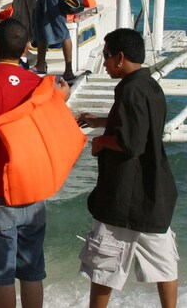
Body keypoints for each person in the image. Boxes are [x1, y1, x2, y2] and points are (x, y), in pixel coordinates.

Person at [0, 18, 72, 308]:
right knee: (32, 272)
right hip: (32, 189)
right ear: (25, 49)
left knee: (2, 277)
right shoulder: (39, 85)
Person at [77, 28, 179, 308]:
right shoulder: (149, 85)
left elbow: (130, 142)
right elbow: (141, 128)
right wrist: (100, 120)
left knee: (104, 263)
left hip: (123, 195)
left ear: (120, 58)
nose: (105, 63)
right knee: (164, 263)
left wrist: (101, 142)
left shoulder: (130, 91)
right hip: (153, 193)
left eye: (107, 57)